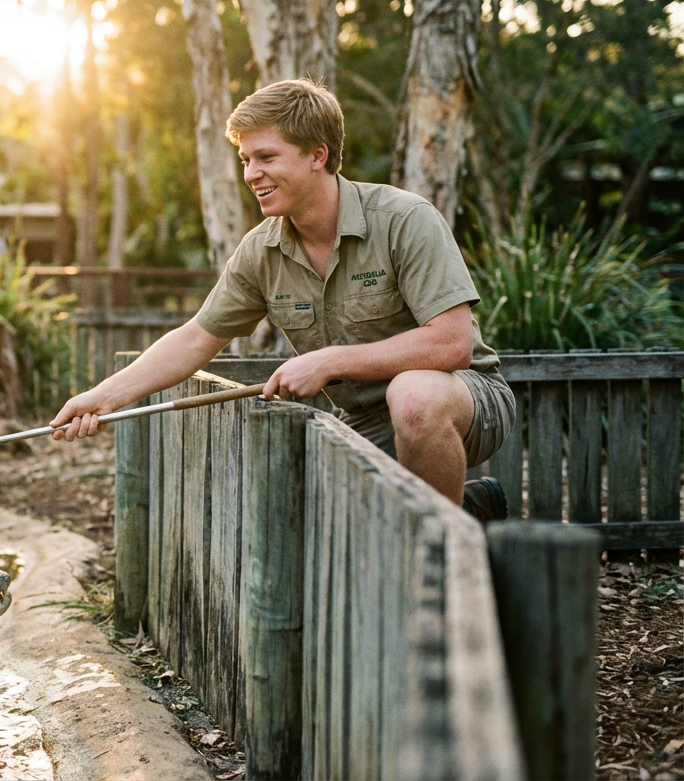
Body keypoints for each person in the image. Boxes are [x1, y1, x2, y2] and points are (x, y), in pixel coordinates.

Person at [51, 79, 514, 522]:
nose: (252, 174)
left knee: (412, 396)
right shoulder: (262, 250)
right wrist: (101, 398)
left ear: (318, 155)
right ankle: (473, 507)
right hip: (366, 420)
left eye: (266, 157)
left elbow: (451, 346)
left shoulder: (404, 220)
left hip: (463, 396)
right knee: (296, 522)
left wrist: (330, 361)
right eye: (246, 159)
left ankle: (440, 568)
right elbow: (195, 339)